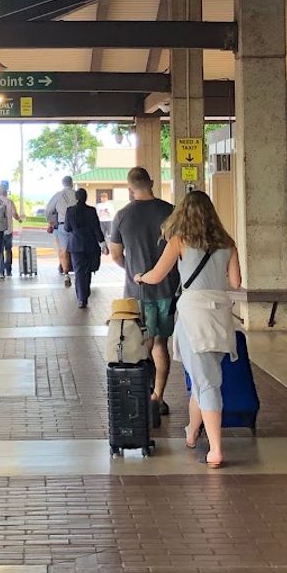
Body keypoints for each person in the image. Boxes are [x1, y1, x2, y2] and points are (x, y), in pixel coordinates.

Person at [136, 191, 243, 468]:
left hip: (193, 312)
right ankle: (192, 432)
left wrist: (140, 277)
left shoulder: (179, 241)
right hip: (220, 313)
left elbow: (157, 275)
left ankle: (216, 449)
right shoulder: (227, 243)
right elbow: (235, 282)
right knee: (204, 377)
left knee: (206, 383)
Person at [108, 166, 179, 416]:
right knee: (161, 343)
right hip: (168, 289)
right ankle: (158, 397)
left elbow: (116, 254)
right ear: (151, 182)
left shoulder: (122, 216)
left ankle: (142, 396)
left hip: (137, 292)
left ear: (130, 188)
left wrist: (133, 269)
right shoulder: (169, 211)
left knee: (141, 344)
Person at [63, 186, 105, 308]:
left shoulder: (70, 211)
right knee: (88, 271)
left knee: (79, 271)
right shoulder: (91, 211)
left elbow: (67, 228)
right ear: (86, 198)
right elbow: (97, 228)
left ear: (76, 198)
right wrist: (102, 242)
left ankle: (82, 298)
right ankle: (85, 292)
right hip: (90, 244)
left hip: (75, 244)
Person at [45, 176, 78, 286]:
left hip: (62, 226)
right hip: (77, 227)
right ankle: (78, 272)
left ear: (63, 184)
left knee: (63, 251)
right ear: (72, 183)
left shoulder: (58, 195)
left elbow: (49, 210)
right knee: (76, 249)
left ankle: (66, 274)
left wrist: (51, 222)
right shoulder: (77, 194)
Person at [0, 181, 22, 276]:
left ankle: (1, 271)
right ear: (5, 192)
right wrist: (19, 220)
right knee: (8, 250)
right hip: (8, 230)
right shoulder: (9, 202)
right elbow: (15, 214)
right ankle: (9, 270)